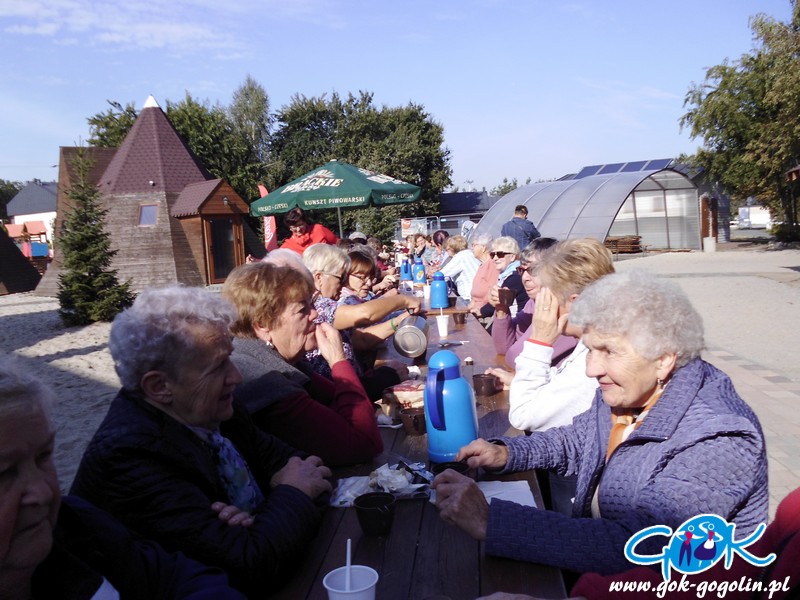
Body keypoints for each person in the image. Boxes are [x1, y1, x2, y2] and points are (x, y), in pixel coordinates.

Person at [433, 270, 767, 576]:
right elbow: (577, 440)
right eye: (590, 350)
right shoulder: (633, 392)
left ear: (664, 358)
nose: (592, 369)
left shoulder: (719, 436)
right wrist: (506, 453)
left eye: (608, 352)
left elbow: (642, 547)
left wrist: (493, 522)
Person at [70, 287, 332, 598]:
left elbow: (311, 472)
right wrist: (289, 495)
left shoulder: (216, 413)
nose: (236, 376)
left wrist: (268, 515)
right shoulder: (129, 457)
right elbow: (249, 567)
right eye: (218, 366)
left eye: (229, 358)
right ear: (159, 386)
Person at [0, 357, 246, 600]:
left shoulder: (78, 527)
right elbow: (243, 559)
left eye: (43, 456)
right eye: (5, 472)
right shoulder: (132, 452)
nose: (43, 492)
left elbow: (180, 578)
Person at [222, 261, 384, 465]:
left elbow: (335, 399)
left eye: (312, 304)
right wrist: (338, 360)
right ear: (263, 325)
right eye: (302, 309)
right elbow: (364, 444)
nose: (315, 314)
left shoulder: (282, 360)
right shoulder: (262, 381)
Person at [302, 243, 416, 399]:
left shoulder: (324, 304)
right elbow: (365, 314)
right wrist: (403, 300)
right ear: (319, 278)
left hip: (352, 387)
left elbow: (361, 340)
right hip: (340, 395)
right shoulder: (318, 305)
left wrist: (400, 320)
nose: (343, 283)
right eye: (340, 278)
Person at [489, 237, 575, 368]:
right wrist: (501, 310)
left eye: (533, 270)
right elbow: (503, 348)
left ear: (556, 271)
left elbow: (514, 358)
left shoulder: (564, 308)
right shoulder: (534, 302)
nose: (525, 278)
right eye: (522, 270)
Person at [477, 236, 527, 321]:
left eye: (500, 254)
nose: (495, 258)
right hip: (505, 320)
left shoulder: (515, 277)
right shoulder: (506, 274)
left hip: (515, 323)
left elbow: (497, 303)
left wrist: (478, 312)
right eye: (492, 255)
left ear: (512, 257)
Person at [437, 235, 480, 300]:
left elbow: (441, 276)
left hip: (468, 297)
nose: (447, 252)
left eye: (447, 250)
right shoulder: (471, 253)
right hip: (478, 293)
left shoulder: (460, 258)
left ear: (451, 249)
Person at [467, 232, 499, 314]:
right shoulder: (482, 265)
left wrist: (478, 311)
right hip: (474, 310)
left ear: (484, 248)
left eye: (474, 245)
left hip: (483, 313)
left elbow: (491, 293)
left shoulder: (492, 265)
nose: (472, 248)